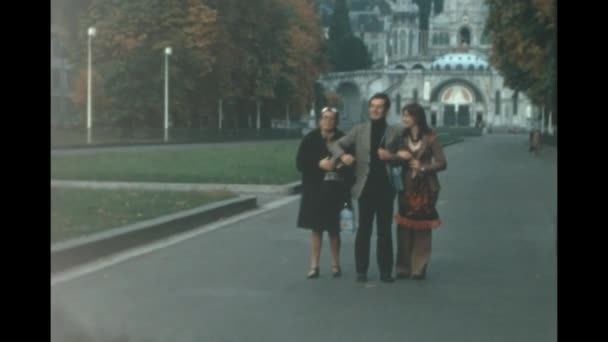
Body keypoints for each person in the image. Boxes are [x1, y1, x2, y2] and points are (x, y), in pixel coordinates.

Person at [328, 93, 403, 283]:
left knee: (384, 231)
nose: (375, 110)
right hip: (364, 187)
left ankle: (385, 271)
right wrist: (343, 157)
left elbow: (405, 155)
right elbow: (335, 144)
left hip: (386, 188)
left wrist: (391, 157)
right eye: (372, 106)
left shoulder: (395, 132)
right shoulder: (359, 130)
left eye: (379, 107)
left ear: (386, 110)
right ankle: (361, 270)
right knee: (364, 230)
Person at [391, 103, 447, 280]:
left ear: (417, 117)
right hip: (405, 186)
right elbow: (389, 156)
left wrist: (423, 167)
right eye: (403, 115)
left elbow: (442, 163)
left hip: (426, 188)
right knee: (404, 226)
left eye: (407, 115)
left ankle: (419, 267)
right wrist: (399, 156)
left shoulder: (430, 137)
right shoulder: (400, 137)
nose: (404, 119)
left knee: (423, 227)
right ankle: (403, 267)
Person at [296, 107, 353, 279]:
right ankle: (314, 266)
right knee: (316, 229)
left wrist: (339, 166)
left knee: (334, 230)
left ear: (336, 121)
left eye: (332, 118)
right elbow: (300, 163)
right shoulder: (310, 139)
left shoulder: (344, 139)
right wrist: (318, 164)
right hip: (315, 190)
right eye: (325, 118)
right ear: (320, 120)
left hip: (336, 191)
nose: (328, 121)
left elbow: (352, 164)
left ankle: (336, 265)